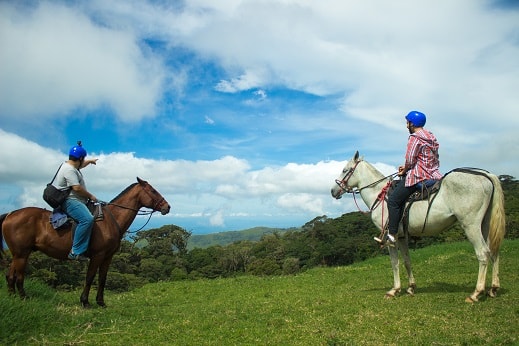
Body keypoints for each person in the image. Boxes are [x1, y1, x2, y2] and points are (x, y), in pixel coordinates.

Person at [379, 111, 442, 246]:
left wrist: (405, 170)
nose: (406, 125)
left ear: (412, 124)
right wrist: (407, 167)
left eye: (407, 122)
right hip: (435, 175)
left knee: (394, 201)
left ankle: (392, 235)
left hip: (419, 176)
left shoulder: (415, 138)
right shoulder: (431, 136)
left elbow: (410, 159)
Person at [55, 142, 98, 261]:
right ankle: (75, 251)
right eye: (83, 159)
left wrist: (89, 161)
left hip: (76, 199)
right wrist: (91, 196)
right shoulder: (69, 170)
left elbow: (80, 165)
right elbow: (77, 188)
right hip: (71, 201)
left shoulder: (70, 165)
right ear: (79, 158)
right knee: (87, 219)